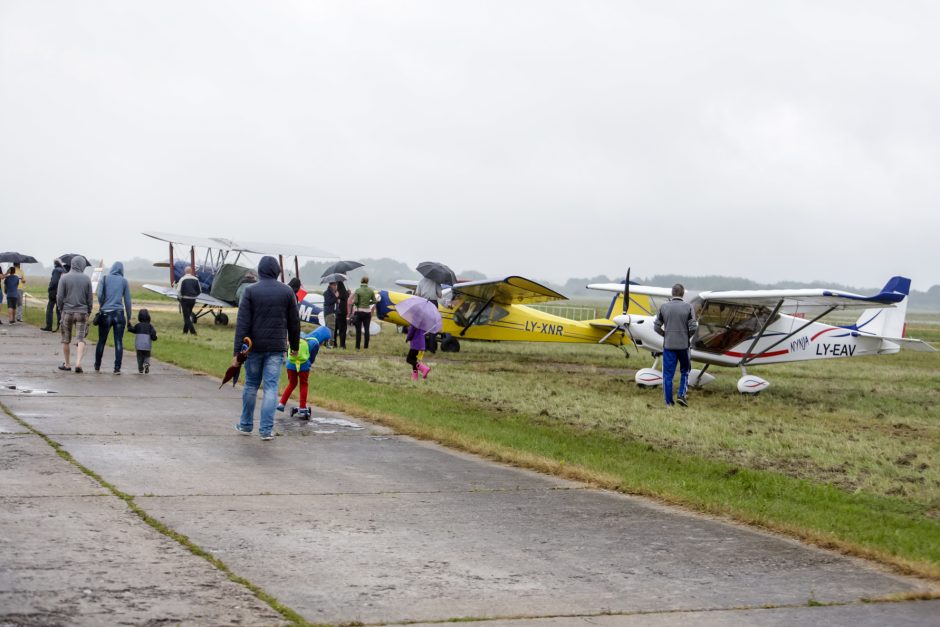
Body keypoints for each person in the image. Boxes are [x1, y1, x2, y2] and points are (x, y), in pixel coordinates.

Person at [233, 256, 300, 441]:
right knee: (271, 387)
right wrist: (294, 346)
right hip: (276, 347)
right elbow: (294, 322)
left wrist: (237, 352)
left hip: (253, 347)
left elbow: (242, 324)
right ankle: (266, 430)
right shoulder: (287, 292)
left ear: (260, 271)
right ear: (277, 271)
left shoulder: (250, 291)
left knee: (251, 384)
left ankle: (246, 425)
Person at [653, 283, 698, 407]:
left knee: (668, 375)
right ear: (683, 294)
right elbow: (694, 327)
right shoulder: (688, 307)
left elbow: (656, 327)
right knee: (685, 371)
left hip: (668, 346)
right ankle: (681, 395)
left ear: (672, 293)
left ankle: (668, 403)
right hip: (684, 346)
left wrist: (665, 335)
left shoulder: (664, 307)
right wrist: (687, 336)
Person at [277, 325, 331, 419]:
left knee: (292, 384)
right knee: (304, 384)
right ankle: (302, 407)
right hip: (303, 366)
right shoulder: (315, 343)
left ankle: (281, 403)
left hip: (291, 364)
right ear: (323, 338)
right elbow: (311, 359)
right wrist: (309, 364)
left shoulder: (304, 336)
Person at [94, 261, 132, 374]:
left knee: (101, 340)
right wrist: (129, 317)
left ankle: (97, 365)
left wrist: (103, 304)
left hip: (106, 313)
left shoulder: (104, 279)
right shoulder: (124, 281)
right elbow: (128, 301)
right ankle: (117, 368)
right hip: (119, 314)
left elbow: (99, 294)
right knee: (118, 341)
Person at [56, 256, 93, 373]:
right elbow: (90, 298)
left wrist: (60, 308)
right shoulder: (87, 279)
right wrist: (89, 310)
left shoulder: (64, 278)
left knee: (66, 339)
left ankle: (67, 364)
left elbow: (59, 296)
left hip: (67, 311)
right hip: (82, 312)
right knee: (80, 338)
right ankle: (78, 363)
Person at [126, 308, 158, 374]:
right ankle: (146, 363)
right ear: (148, 317)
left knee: (139, 356)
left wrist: (129, 325)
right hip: (147, 345)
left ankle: (140, 368)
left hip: (139, 345)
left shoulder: (138, 325)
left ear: (139, 317)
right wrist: (155, 338)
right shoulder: (150, 326)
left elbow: (132, 329)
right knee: (147, 355)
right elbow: (153, 334)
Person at [351, 275, 377, 350]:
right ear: (367, 282)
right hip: (367, 312)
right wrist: (368, 303)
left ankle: (357, 347)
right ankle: (366, 347)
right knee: (367, 329)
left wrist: (355, 303)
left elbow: (355, 301)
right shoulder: (371, 290)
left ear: (361, 281)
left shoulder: (358, 290)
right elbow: (375, 301)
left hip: (359, 312)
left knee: (358, 330)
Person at [41, 259, 64, 331]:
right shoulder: (64, 271)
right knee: (59, 310)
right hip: (62, 292)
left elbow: (54, 281)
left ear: (55, 264)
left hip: (54, 292)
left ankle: (49, 326)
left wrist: (50, 288)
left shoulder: (56, 270)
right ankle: (59, 326)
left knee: (49, 309)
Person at [177, 266, 200, 335]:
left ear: (185, 272)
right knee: (188, 314)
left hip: (185, 300)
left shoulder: (182, 279)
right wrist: (194, 296)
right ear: (191, 271)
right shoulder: (196, 279)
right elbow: (199, 291)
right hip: (193, 300)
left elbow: (178, 291)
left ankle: (193, 332)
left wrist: (180, 298)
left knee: (186, 317)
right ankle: (185, 332)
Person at [334, 280, 349, 349]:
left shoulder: (337, 294)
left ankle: (334, 343)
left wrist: (336, 296)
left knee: (335, 328)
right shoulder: (345, 294)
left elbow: (335, 301)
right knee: (343, 329)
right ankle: (342, 344)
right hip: (344, 313)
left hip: (338, 313)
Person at [322, 281, 337, 346]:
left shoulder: (330, 292)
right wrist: (335, 297)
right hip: (330, 312)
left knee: (328, 327)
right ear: (332, 285)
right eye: (335, 285)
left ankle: (326, 342)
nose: (336, 287)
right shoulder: (328, 293)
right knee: (331, 328)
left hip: (327, 312)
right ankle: (330, 343)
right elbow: (329, 302)